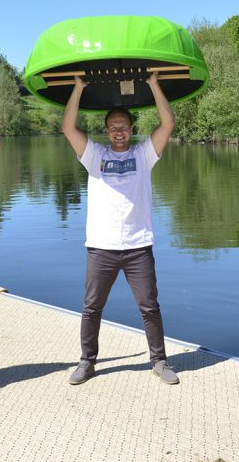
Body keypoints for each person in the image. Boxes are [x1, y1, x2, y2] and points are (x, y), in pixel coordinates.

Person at [62, 72, 179, 385]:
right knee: (91, 307)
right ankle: (87, 362)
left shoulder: (143, 155)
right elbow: (67, 127)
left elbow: (168, 123)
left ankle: (159, 361)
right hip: (101, 246)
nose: (118, 131)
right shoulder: (94, 156)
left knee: (149, 306)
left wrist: (154, 84)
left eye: (123, 126)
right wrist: (77, 88)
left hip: (138, 245)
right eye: (113, 126)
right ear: (106, 130)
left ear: (131, 129)